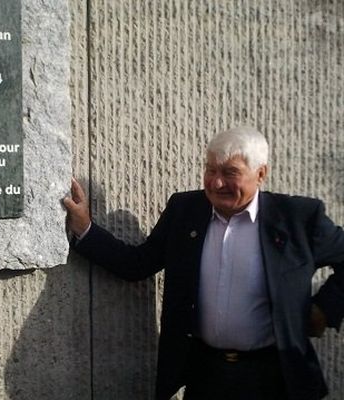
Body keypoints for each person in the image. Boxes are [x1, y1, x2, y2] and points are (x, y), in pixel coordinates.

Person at [64, 126, 344, 400]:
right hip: (206, 376)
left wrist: (324, 308)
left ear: (261, 174)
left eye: (230, 172)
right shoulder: (185, 210)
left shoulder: (298, 218)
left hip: (273, 376)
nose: (216, 182)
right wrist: (85, 228)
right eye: (211, 170)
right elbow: (137, 264)